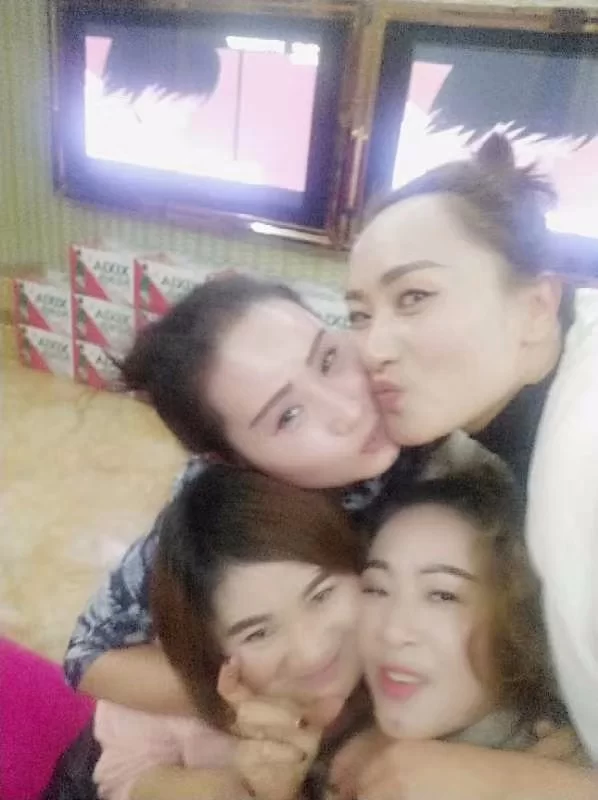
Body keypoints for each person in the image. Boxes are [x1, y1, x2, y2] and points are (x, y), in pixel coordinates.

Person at [347, 135, 598, 770]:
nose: (372, 348)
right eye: (359, 315)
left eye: (414, 297)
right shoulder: (486, 435)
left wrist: (503, 780)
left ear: (536, 307)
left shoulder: (582, 456)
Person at [64, 275, 400, 715]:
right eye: (288, 416)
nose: (349, 410)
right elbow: (87, 658)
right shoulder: (216, 521)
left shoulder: (412, 398)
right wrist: (269, 702)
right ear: (231, 460)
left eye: (328, 359)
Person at [92, 464, 367, 800]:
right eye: (258, 634)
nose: (311, 652)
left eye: (321, 596)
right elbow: (125, 776)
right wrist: (248, 789)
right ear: (209, 645)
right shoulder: (156, 686)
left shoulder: (407, 639)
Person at [329, 468, 595, 800]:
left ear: (518, 616)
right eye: (377, 589)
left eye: (442, 595)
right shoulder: (324, 744)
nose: (392, 631)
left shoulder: (568, 763)